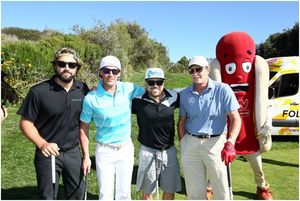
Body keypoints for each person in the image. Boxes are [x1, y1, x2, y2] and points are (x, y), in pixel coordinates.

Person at [17, 47, 89, 199]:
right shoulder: (38, 91)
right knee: (48, 196)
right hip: (47, 153)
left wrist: (86, 155)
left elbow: (86, 122)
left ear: (77, 68)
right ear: (55, 65)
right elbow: (25, 123)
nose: (66, 68)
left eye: (71, 65)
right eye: (62, 64)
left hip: (73, 153)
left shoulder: (83, 90)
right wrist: (42, 144)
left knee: (78, 195)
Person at [79, 55, 145, 200]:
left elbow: (150, 91)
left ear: (119, 73)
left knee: (124, 193)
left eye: (114, 71)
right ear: (100, 72)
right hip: (104, 150)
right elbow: (83, 128)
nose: (111, 74)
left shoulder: (128, 88)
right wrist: (86, 156)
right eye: (106, 70)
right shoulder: (91, 98)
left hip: (126, 148)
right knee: (105, 193)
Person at [177, 56, 241, 200]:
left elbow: (236, 118)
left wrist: (230, 142)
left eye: (198, 69)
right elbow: (181, 121)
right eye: (191, 71)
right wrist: (183, 143)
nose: (195, 74)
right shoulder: (186, 94)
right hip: (190, 143)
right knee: (194, 192)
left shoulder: (223, 89)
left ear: (207, 69)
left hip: (216, 143)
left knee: (222, 190)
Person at [132, 68, 182, 200]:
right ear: (146, 83)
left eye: (159, 82)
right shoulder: (137, 100)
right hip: (148, 150)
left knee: (170, 189)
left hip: (168, 150)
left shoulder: (174, 96)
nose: (155, 85)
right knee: (148, 192)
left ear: (163, 83)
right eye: (151, 82)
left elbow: (193, 90)